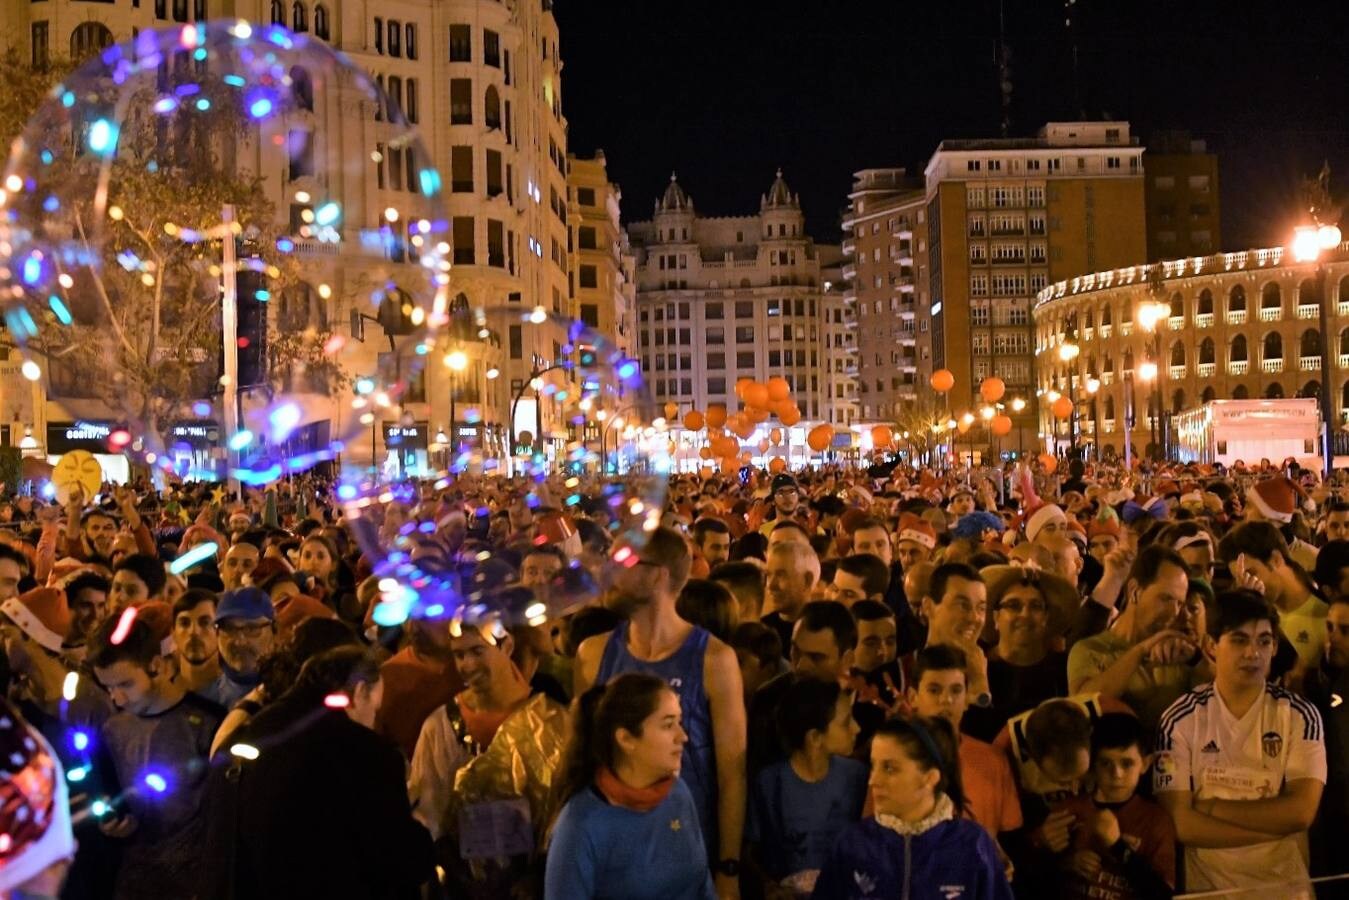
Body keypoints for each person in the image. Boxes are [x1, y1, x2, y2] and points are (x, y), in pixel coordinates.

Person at [575, 527, 745, 897]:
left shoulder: (714, 660)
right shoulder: (592, 655)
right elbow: (581, 760)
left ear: (657, 575)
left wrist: (729, 869)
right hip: (611, 859)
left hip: (687, 856)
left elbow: (732, 773)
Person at [202, 647, 435, 899]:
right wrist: (421, 831)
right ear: (358, 692)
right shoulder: (365, 754)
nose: (373, 722)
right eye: (374, 710)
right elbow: (399, 860)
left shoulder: (242, 740)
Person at [1155, 590, 1325, 899]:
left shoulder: (1300, 715)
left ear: (1274, 647)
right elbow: (1183, 825)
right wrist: (1272, 830)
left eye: (1264, 641)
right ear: (1211, 646)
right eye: (1239, 639)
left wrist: (1211, 808)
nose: (1253, 653)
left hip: (1285, 890)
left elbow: (1301, 812)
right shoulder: (1179, 719)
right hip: (1210, 891)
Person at [409, 617, 570, 897]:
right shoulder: (441, 726)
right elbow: (428, 811)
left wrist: (538, 875)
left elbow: (566, 811)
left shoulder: (554, 722)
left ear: (507, 645)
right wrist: (456, 870)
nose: (467, 665)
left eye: (477, 651)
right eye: (459, 655)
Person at [88, 612, 223, 900]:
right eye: (108, 688)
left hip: (196, 881)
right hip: (134, 879)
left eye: (125, 684)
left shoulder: (208, 723)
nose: (116, 699)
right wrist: (111, 825)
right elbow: (106, 793)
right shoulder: (112, 729)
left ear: (156, 666)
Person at [545, 673, 716, 900]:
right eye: (668, 725)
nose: (682, 736)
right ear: (626, 739)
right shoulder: (580, 826)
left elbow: (702, 883)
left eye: (679, 722)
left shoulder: (678, 793)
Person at [811, 716, 1013, 900]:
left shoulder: (972, 845)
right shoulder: (852, 845)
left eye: (890, 768)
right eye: (874, 766)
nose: (873, 780)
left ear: (930, 778)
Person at [745, 678, 865, 897]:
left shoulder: (857, 776)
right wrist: (769, 887)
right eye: (846, 722)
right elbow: (751, 851)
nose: (857, 728)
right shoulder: (770, 784)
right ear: (815, 738)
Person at [1068, 545, 1201, 729]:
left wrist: (1196, 659)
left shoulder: (1178, 652)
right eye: (1166, 599)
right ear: (1134, 591)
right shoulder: (1090, 650)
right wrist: (1140, 651)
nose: (1174, 611)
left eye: (1179, 603)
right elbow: (1082, 706)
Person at [1050, 713, 1175, 900]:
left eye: (1127, 763)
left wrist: (1118, 847)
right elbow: (1031, 878)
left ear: (1145, 763)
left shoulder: (1155, 820)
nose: (1116, 774)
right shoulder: (1069, 811)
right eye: (1106, 763)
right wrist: (1066, 863)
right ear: (1092, 764)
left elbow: (1163, 895)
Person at [907, 645, 1021, 848]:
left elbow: (1009, 839)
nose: (946, 700)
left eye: (956, 690)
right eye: (934, 690)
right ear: (913, 697)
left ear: (967, 698)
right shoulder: (893, 759)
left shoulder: (993, 760)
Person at [747, 601, 857, 775]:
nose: (801, 665)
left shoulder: (872, 703)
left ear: (847, 659)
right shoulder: (768, 702)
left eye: (817, 657)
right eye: (795, 650)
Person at [1217, 521, 1329, 671]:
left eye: (1251, 574)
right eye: (1239, 579)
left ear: (1276, 559)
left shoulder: (1331, 608)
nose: (1246, 585)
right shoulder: (1254, 617)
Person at [983, 566, 1072, 732]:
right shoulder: (979, 667)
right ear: (996, 617)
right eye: (1014, 605)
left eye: (1036, 606)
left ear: (1046, 618)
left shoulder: (1065, 669)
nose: (1025, 614)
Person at [200, 587, 276, 710]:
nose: (239, 642)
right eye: (229, 629)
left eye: (251, 629)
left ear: (273, 631)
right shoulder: (203, 706)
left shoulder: (293, 693)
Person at [759, 541, 820, 664]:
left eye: (781, 575)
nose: (771, 585)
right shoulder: (761, 631)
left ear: (807, 580)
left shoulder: (825, 631)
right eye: (769, 575)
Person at [172, 588, 220, 694]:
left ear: (220, 630)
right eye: (184, 623)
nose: (194, 632)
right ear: (173, 633)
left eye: (205, 622)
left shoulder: (240, 692)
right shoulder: (164, 694)